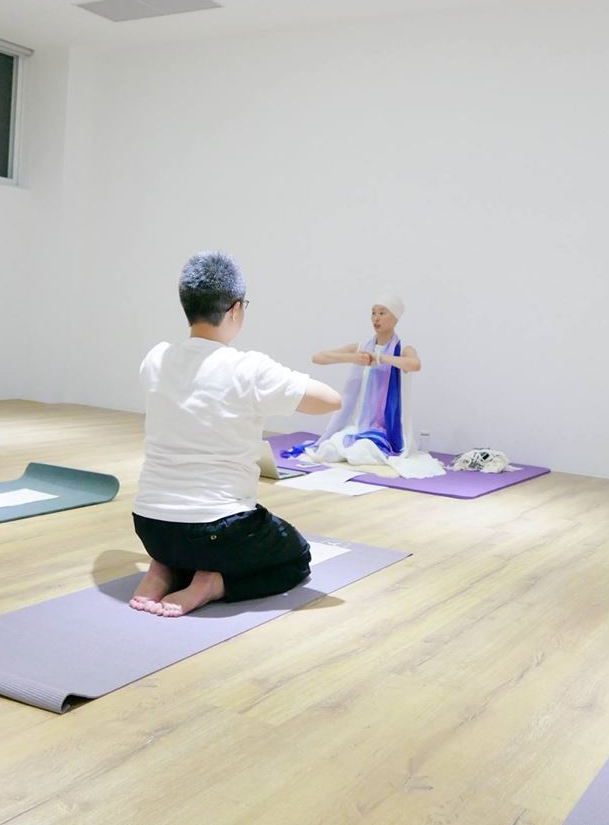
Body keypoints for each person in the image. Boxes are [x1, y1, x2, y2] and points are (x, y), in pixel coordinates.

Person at [129, 251, 342, 618]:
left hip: (150, 527)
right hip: (219, 530)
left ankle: (162, 568)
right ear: (235, 309)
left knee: (182, 537)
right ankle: (214, 584)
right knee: (297, 557)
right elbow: (331, 400)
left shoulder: (156, 358)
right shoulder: (249, 369)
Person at [291, 295, 423, 466]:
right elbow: (317, 357)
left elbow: (414, 365)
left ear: (395, 318)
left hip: (381, 431)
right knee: (327, 451)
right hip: (355, 427)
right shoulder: (361, 348)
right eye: (373, 313)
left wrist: (381, 358)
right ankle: (347, 445)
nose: (376, 318)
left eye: (382, 313)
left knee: (358, 453)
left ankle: (366, 447)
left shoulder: (403, 349)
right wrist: (352, 358)